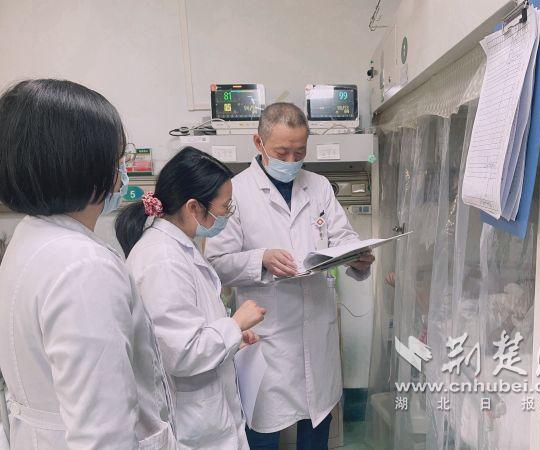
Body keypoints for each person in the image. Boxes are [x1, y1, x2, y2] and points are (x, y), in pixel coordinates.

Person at [0, 79, 177, 449]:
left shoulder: (32, 238)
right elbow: (104, 434)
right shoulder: (83, 267)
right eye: (117, 159)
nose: (122, 171)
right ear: (84, 162)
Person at [205, 103, 375, 449]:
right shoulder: (237, 191)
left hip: (317, 331)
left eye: (300, 152)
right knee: (264, 430)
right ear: (259, 142)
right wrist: (261, 259)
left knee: (317, 426)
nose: (292, 159)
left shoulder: (319, 186)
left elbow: (343, 238)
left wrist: (357, 259)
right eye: (283, 152)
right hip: (269, 337)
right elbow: (216, 263)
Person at [115, 147, 266, 450]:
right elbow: (181, 354)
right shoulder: (162, 259)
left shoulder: (178, 247)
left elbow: (186, 327)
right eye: (225, 207)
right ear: (194, 207)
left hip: (205, 413)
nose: (227, 214)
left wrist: (232, 337)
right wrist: (234, 324)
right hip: (191, 424)